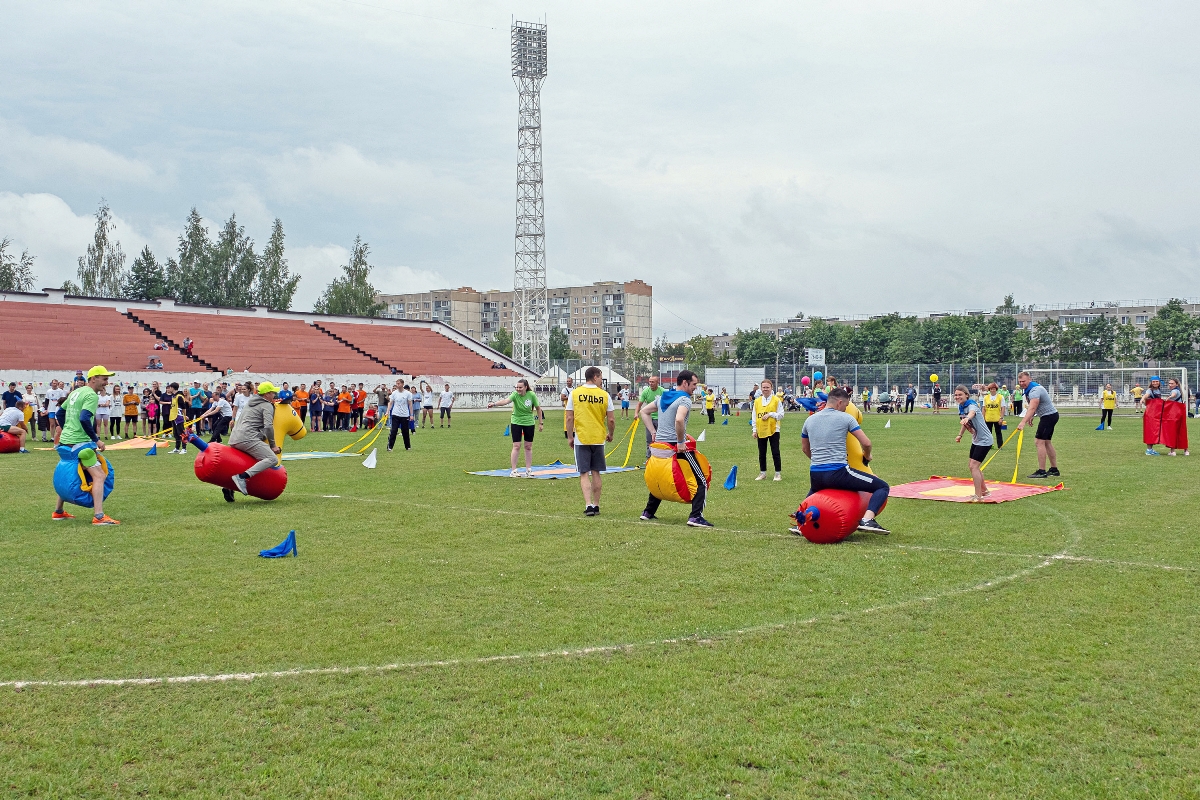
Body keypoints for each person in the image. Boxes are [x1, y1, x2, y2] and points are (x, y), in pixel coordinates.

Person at [799, 387, 890, 534]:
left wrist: (818, 461)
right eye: (846, 405)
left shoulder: (809, 420)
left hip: (815, 474)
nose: (846, 408)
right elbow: (866, 443)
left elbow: (804, 449)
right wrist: (867, 456)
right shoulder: (846, 418)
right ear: (839, 402)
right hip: (838, 472)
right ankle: (868, 519)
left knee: (813, 493)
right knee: (882, 487)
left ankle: (800, 522)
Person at [639, 370, 713, 527]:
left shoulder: (663, 397)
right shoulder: (685, 400)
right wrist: (680, 441)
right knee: (701, 480)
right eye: (694, 385)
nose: (695, 388)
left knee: (660, 477)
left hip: (659, 447)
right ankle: (696, 516)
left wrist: (653, 431)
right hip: (675, 447)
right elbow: (679, 419)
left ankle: (648, 512)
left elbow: (643, 412)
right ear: (685, 383)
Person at [54, 365, 120, 524]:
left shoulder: (75, 392)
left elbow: (59, 413)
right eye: (104, 379)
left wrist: (67, 429)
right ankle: (99, 516)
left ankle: (58, 511)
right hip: (80, 444)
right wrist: (96, 439)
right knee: (99, 475)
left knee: (68, 472)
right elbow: (84, 418)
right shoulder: (91, 395)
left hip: (65, 443)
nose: (106, 382)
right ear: (93, 378)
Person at [566, 365, 616, 517]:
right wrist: (611, 434)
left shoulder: (575, 393)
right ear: (595, 377)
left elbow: (569, 417)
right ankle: (596, 504)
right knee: (596, 472)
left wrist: (570, 436)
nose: (601, 380)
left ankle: (588, 505)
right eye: (600, 377)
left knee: (583, 473)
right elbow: (611, 419)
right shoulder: (604, 395)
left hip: (582, 437)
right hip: (598, 438)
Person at [227, 382, 282, 496]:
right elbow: (268, 426)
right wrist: (273, 445)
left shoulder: (250, 403)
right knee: (272, 459)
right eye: (272, 392)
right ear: (267, 394)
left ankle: (228, 487)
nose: (274, 395)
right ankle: (242, 477)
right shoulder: (267, 405)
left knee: (244, 463)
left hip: (234, 437)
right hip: (248, 438)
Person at [488, 378, 544, 476]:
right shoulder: (514, 395)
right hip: (516, 422)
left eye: (520, 387)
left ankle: (529, 469)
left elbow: (538, 409)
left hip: (529, 422)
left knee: (528, 446)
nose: (518, 389)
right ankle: (514, 470)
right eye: (517, 387)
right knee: (516, 446)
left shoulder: (531, 395)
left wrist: (540, 423)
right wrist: (494, 404)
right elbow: (505, 401)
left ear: (526, 387)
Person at [1015, 371, 1060, 478]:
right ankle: (1054, 469)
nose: (1022, 383)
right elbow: (1034, 407)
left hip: (1048, 417)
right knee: (1047, 442)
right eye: (1020, 382)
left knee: (1039, 441)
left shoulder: (1035, 390)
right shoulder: (1030, 389)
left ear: (1029, 379)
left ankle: (1042, 471)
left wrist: (1023, 422)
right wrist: (1031, 416)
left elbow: (1033, 407)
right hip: (1051, 416)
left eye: (1024, 381)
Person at [954, 385, 994, 502]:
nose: (957, 397)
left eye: (960, 395)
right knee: (972, 466)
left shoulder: (972, 405)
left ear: (966, 395)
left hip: (985, 440)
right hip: (976, 440)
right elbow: (965, 422)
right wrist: (960, 435)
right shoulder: (961, 407)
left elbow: (971, 414)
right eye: (956, 395)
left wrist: (968, 418)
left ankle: (978, 495)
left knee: (974, 466)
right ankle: (984, 491)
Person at [752, 377, 785, 481]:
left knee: (775, 451)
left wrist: (771, 414)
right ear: (761, 389)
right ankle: (763, 473)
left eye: (767, 387)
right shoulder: (757, 401)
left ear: (771, 388)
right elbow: (754, 416)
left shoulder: (776, 400)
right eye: (763, 387)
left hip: (774, 429)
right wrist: (754, 429)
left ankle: (777, 473)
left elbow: (781, 415)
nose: (765, 389)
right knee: (762, 452)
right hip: (761, 429)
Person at [635, 375, 665, 459]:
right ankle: (649, 458)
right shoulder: (646, 391)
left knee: (660, 439)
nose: (651, 383)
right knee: (650, 439)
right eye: (650, 382)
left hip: (660, 419)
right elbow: (639, 404)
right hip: (649, 419)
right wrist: (636, 413)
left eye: (653, 382)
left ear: (657, 383)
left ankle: (660, 457)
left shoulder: (662, 391)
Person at [386, 381, 414, 451]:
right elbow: (390, 403)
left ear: (402, 384)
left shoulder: (408, 393)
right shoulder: (394, 393)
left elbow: (410, 405)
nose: (397, 385)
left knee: (405, 431)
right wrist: (387, 412)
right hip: (395, 414)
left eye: (399, 384)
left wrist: (411, 415)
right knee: (393, 431)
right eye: (396, 383)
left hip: (405, 415)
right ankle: (390, 447)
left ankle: (408, 447)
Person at [982, 382, 1005, 447]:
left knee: (998, 433)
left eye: (994, 389)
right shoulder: (986, 397)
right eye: (991, 389)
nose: (992, 390)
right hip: (988, 418)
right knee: (988, 433)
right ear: (989, 389)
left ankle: (1000, 446)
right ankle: (988, 445)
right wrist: (983, 418)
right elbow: (984, 408)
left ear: (996, 389)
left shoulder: (1000, 397)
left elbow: (1003, 408)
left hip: (997, 418)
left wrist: (1001, 418)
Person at [560, 377, 575, 444]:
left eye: (569, 381)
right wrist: (568, 397)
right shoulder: (564, 390)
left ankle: (573, 432)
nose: (568, 382)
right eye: (567, 381)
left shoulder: (574, 389)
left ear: (572, 382)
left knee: (574, 420)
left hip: (574, 407)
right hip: (567, 407)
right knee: (567, 420)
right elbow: (562, 398)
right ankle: (566, 432)